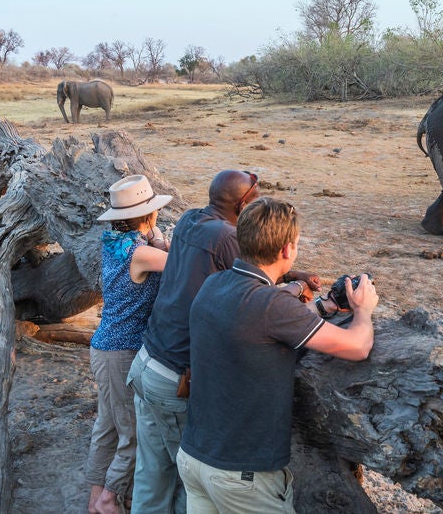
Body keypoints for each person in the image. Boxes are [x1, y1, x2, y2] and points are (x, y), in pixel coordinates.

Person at [127, 170, 323, 513]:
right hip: (176, 378)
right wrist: (294, 286)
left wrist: (293, 275)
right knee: (194, 486)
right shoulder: (227, 235)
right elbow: (254, 280)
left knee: (152, 475)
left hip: (146, 362)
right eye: (257, 197)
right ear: (245, 204)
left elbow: (237, 259)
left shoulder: (190, 220)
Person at [176, 197, 378, 513]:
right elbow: (358, 345)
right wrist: (363, 310)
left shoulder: (215, 284)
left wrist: (323, 307)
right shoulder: (272, 306)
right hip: (241, 476)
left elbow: (263, 323)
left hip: (194, 458)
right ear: (287, 250)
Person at [85, 174, 172, 514]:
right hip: (123, 353)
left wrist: (154, 236)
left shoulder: (112, 242)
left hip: (104, 348)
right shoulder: (141, 253)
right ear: (149, 216)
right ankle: (110, 499)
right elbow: (182, 263)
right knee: (133, 434)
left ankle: (94, 499)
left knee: (106, 428)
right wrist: (162, 237)